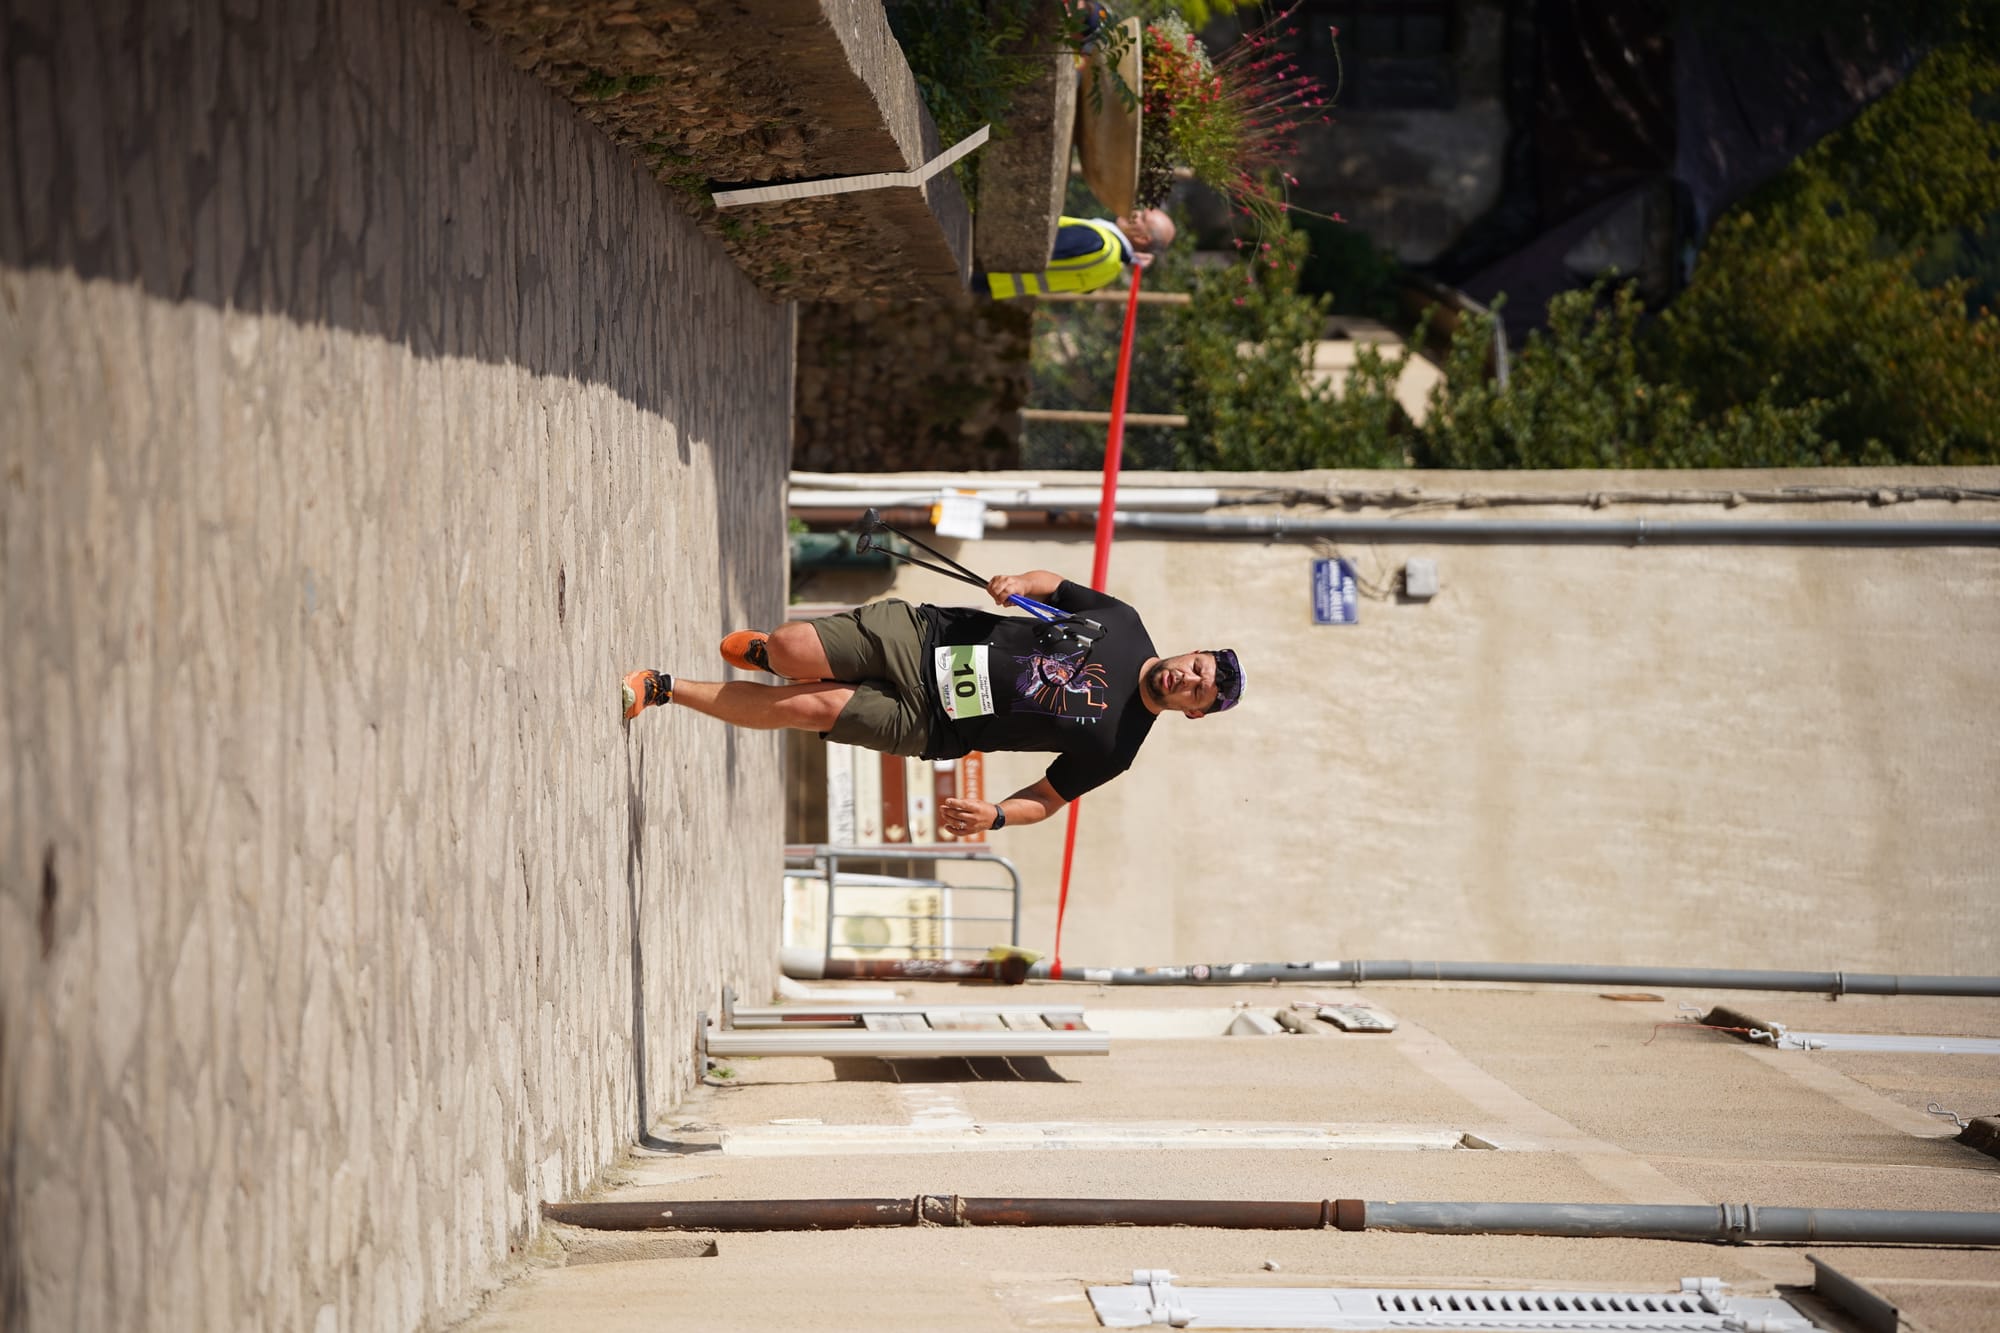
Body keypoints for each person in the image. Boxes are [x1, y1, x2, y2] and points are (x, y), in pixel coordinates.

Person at [622, 570, 1242, 837]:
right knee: (788, 649)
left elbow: (1048, 799)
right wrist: (1020, 584)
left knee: (801, 710)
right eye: (1197, 667)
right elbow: (1057, 587)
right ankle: (775, 654)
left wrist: (995, 815)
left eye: (1198, 690)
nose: (1187, 678)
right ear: (1191, 652)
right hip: (929, 638)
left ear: (1193, 712)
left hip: (931, 723)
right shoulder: (1124, 623)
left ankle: (661, 688)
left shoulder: (1117, 745)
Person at [981, 209, 1176, 300]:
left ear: (1142, 239)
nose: (1135, 211)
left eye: (1142, 217)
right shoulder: (1111, 269)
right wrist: (1131, 257)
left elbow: (1029, 246)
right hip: (993, 283)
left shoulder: (1097, 240)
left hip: (983, 258)